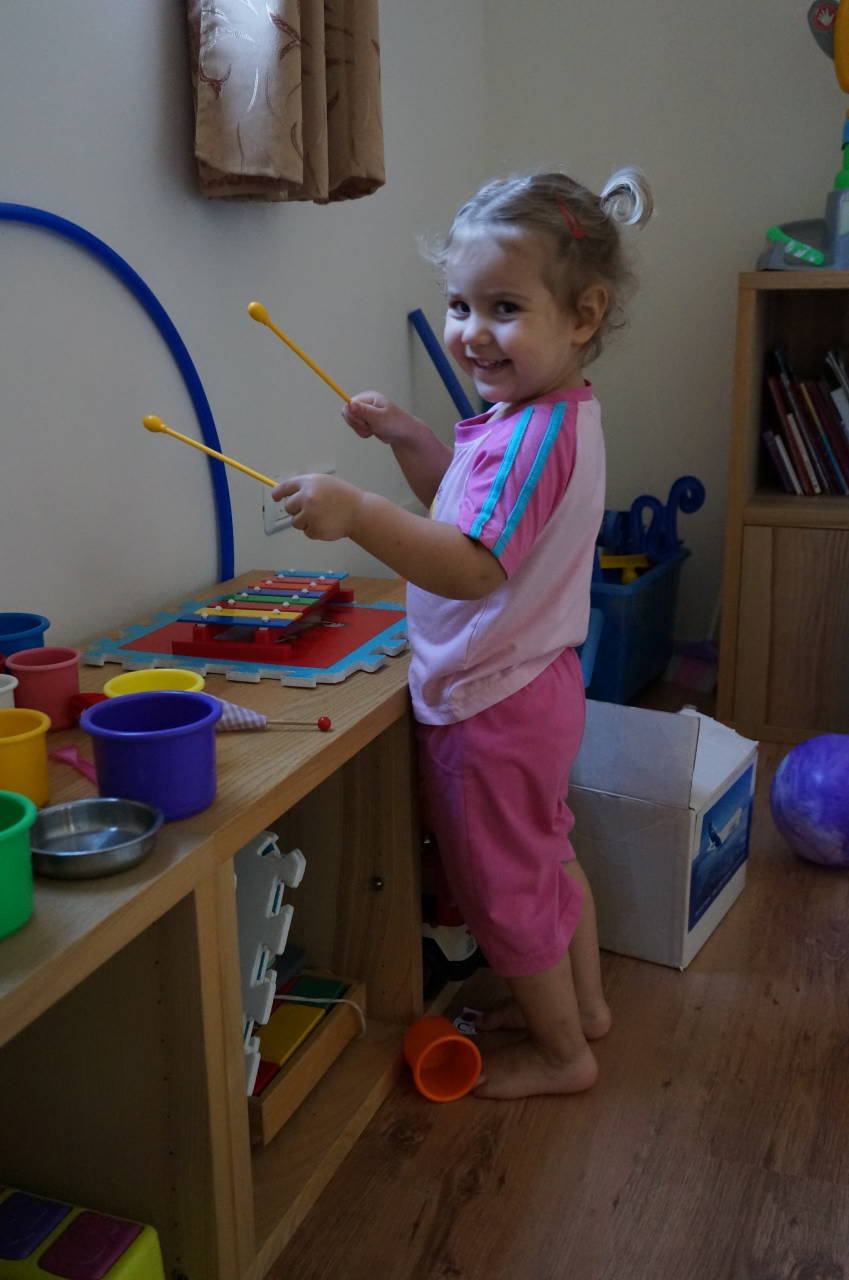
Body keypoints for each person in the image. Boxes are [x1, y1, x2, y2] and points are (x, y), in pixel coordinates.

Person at [273, 166, 653, 1099]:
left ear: (583, 315)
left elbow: (472, 564)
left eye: (504, 307)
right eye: (458, 304)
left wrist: (358, 512)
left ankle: (562, 1056)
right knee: (546, 858)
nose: (472, 331)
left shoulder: (528, 436)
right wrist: (408, 437)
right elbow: (464, 503)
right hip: (530, 685)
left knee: (506, 892)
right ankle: (583, 1011)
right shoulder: (541, 415)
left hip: (493, 701)